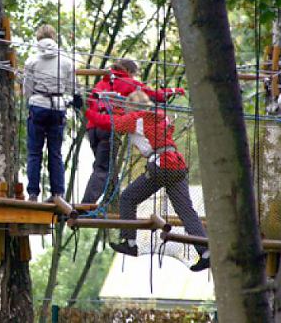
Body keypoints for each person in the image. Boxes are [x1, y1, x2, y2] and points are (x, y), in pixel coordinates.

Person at [85, 91, 210, 272]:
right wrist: (117, 106)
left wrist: (86, 110)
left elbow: (109, 123)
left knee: (128, 198)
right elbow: (130, 120)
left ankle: (130, 242)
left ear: (132, 107)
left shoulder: (136, 119)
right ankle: (205, 252)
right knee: (186, 211)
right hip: (177, 164)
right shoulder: (162, 117)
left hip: (160, 166)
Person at [81, 59, 185, 204]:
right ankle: (86, 204)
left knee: (106, 166)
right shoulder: (130, 83)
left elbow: (90, 104)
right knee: (104, 169)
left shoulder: (100, 84)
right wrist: (175, 90)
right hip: (109, 128)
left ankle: (112, 201)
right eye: (134, 74)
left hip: (92, 129)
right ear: (129, 72)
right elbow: (155, 95)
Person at [24, 24, 82, 202]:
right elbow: (74, 87)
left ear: (38, 39)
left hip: (38, 106)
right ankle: (58, 193)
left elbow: (27, 88)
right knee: (55, 152)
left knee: (35, 152)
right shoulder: (66, 61)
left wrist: (30, 101)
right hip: (57, 107)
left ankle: (33, 193)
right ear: (54, 38)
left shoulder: (31, 60)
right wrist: (76, 99)